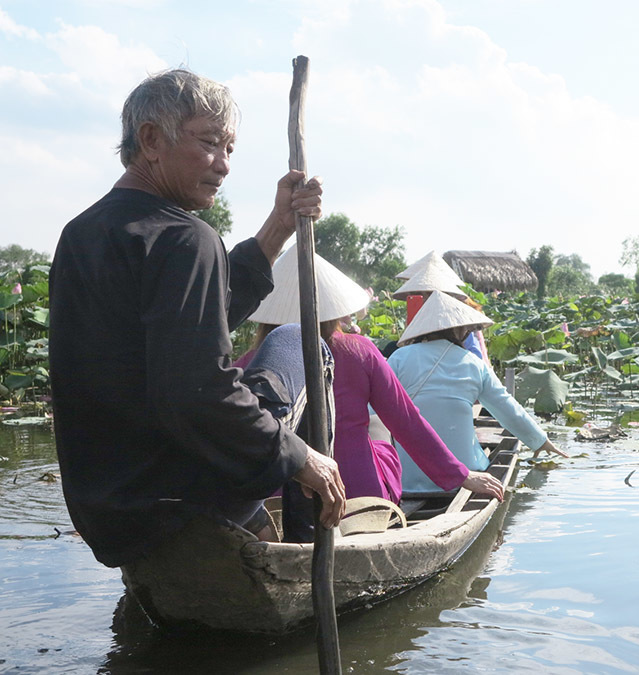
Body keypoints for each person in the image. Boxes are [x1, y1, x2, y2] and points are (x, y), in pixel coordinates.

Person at [48, 68, 345, 569]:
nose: (224, 165)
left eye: (230, 149)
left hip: (108, 511)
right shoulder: (187, 237)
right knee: (304, 342)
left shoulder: (80, 234)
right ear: (150, 140)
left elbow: (196, 325)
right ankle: (309, 547)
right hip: (186, 497)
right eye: (210, 143)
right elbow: (197, 390)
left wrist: (279, 223)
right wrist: (302, 458)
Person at [243, 248, 505, 536]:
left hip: (273, 499)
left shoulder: (246, 365)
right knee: (380, 436)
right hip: (357, 493)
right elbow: (406, 421)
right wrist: (462, 475)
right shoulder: (360, 350)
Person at [388, 291, 568, 494]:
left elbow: (373, 412)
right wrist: (540, 440)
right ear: (461, 330)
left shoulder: (398, 358)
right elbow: (505, 406)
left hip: (406, 480)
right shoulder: (474, 363)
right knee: (478, 452)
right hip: (465, 476)